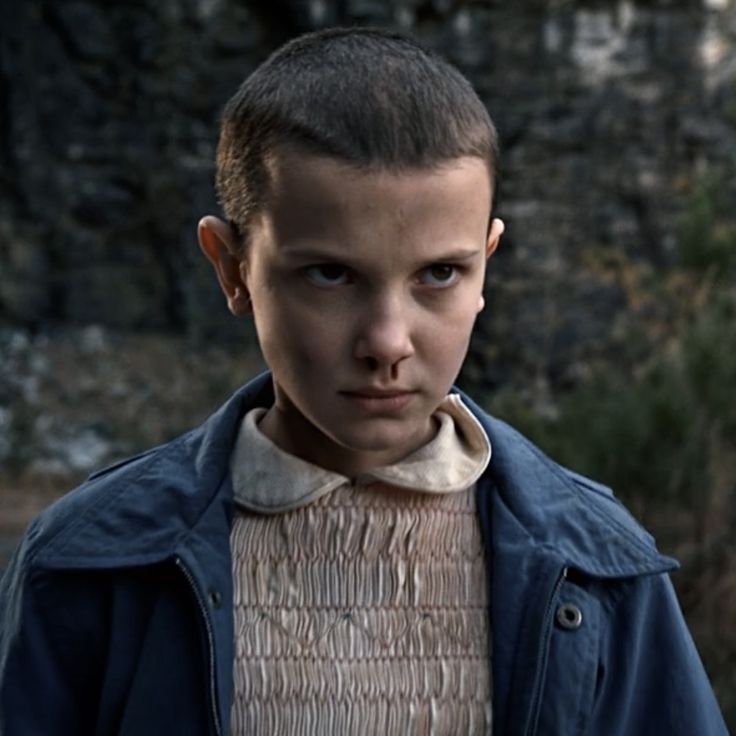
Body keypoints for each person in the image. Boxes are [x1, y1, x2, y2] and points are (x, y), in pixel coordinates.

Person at [0, 26, 728, 736]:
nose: (387, 341)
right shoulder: (87, 567)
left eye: (439, 274)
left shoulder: (601, 568)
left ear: (487, 263)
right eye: (329, 274)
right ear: (231, 268)